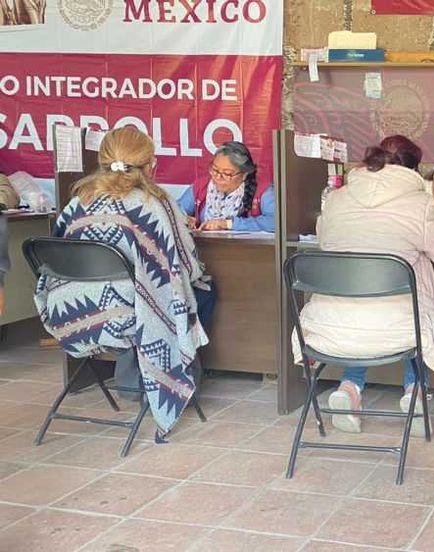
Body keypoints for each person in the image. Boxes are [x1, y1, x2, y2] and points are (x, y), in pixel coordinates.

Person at [33, 127, 213, 437]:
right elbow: (183, 266)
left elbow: (55, 257)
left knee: (144, 292)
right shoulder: (156, 204)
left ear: (102, 161)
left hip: (70, 313)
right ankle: (170, 375)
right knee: (200, 292)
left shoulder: (78, 202)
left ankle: (131, 376)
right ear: (151, 164)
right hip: (129, 316)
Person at [297, 135, 434, 433]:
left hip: (329, 326)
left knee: (361, 301)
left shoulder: (336, 199)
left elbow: (325, 239)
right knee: (413, 298)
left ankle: (348, 389)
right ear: (412, 171)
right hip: (398, 328)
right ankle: (415, 393)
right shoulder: (420, 204)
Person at [177, 141, 275, 232]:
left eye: (227, 174)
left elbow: (276, 222)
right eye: (215, 170)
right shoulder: (201, 186)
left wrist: (228, 224)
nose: (218, 177)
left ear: (244, 174)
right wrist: (185, 219)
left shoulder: (262, 191)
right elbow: (174, 212)